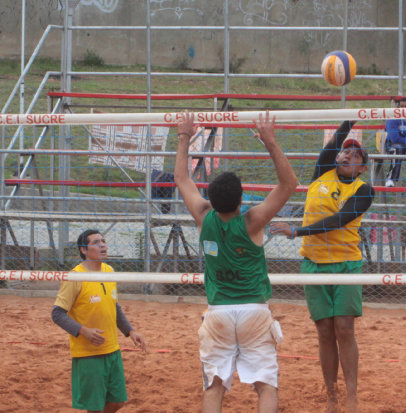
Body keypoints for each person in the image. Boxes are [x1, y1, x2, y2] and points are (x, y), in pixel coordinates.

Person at [174, 111, 298, 413]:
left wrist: (184, 136)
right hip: (254, 310)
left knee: (214, 386)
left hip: (218, 312)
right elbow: (289, 184)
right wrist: (270, 141)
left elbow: (181, 178)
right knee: (265, 386)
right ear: (241, 199)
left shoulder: (204, 216)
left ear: (212, 199)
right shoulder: (252, 221)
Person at [270, 120, 375, 413]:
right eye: (345, 153)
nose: (347, 157)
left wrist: (296, 231)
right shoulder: (322, 172)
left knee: (344, 327)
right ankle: (331, 396)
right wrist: (349, 118)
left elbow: (338, 221)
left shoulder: (364, 189)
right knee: (325, 331)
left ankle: (351, 395)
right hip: (314, 263)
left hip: (345, 264)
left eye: (355, 156)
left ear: (362, 168)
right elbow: (333, 144)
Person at [51, 229, 146, 413]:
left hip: (112, 350)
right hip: (88, 354)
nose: (102, 244)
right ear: (83, 250)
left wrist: (131, 331)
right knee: (94, 407)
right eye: (96, 242)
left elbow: (114, 306)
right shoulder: (75, 277)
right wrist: (83, 330)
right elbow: (57, 314)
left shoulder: (109, 271)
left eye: (103, 241)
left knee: (117, 402)